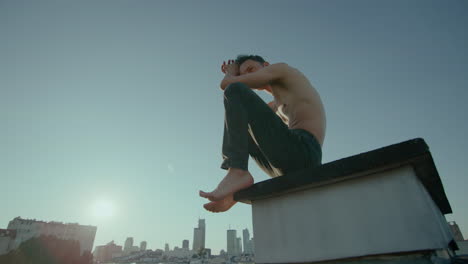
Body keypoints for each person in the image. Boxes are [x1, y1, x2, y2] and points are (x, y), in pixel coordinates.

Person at [199, 55, 326, 212]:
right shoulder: (276, 105)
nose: (247, 76)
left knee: (235, 89)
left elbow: (228, 85)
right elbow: (246, 114)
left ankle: (237, 171)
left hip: (306, 151)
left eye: (251, 69)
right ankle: (236, 192)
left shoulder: (283, 69)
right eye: (243, 74)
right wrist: (234, 76)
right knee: (245, 126)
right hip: (285, 167)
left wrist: (231, 74)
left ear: (266, 65)